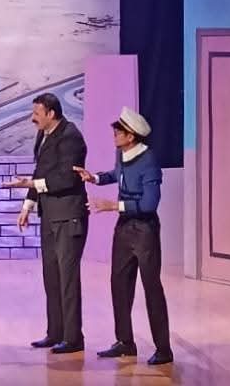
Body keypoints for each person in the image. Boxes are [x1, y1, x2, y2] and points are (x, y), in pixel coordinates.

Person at [74, 107, 173, 366]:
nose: (115, 134)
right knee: (119, 283)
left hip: (145, 230)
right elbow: (116, 174)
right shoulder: (122, 153)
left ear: (132, 136)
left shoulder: (149, 161)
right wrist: (94, 178)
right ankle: (125, 342)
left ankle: (164, 349)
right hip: (124, 228)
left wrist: (112, 206)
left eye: (119, 131)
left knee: (151, 287)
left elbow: (149, 204)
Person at [5, 93, 88, 354]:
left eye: (37, 113)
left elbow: (67, 179)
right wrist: (27, 205)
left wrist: (30, 184)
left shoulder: (71, 137)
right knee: (51, 276)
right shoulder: (44, 135)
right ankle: (55, 333)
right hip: (49, 215)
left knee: (67, 278)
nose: (33, 118)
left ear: (51, 113)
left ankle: (73, 338)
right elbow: (40, 172)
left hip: (68, 216)